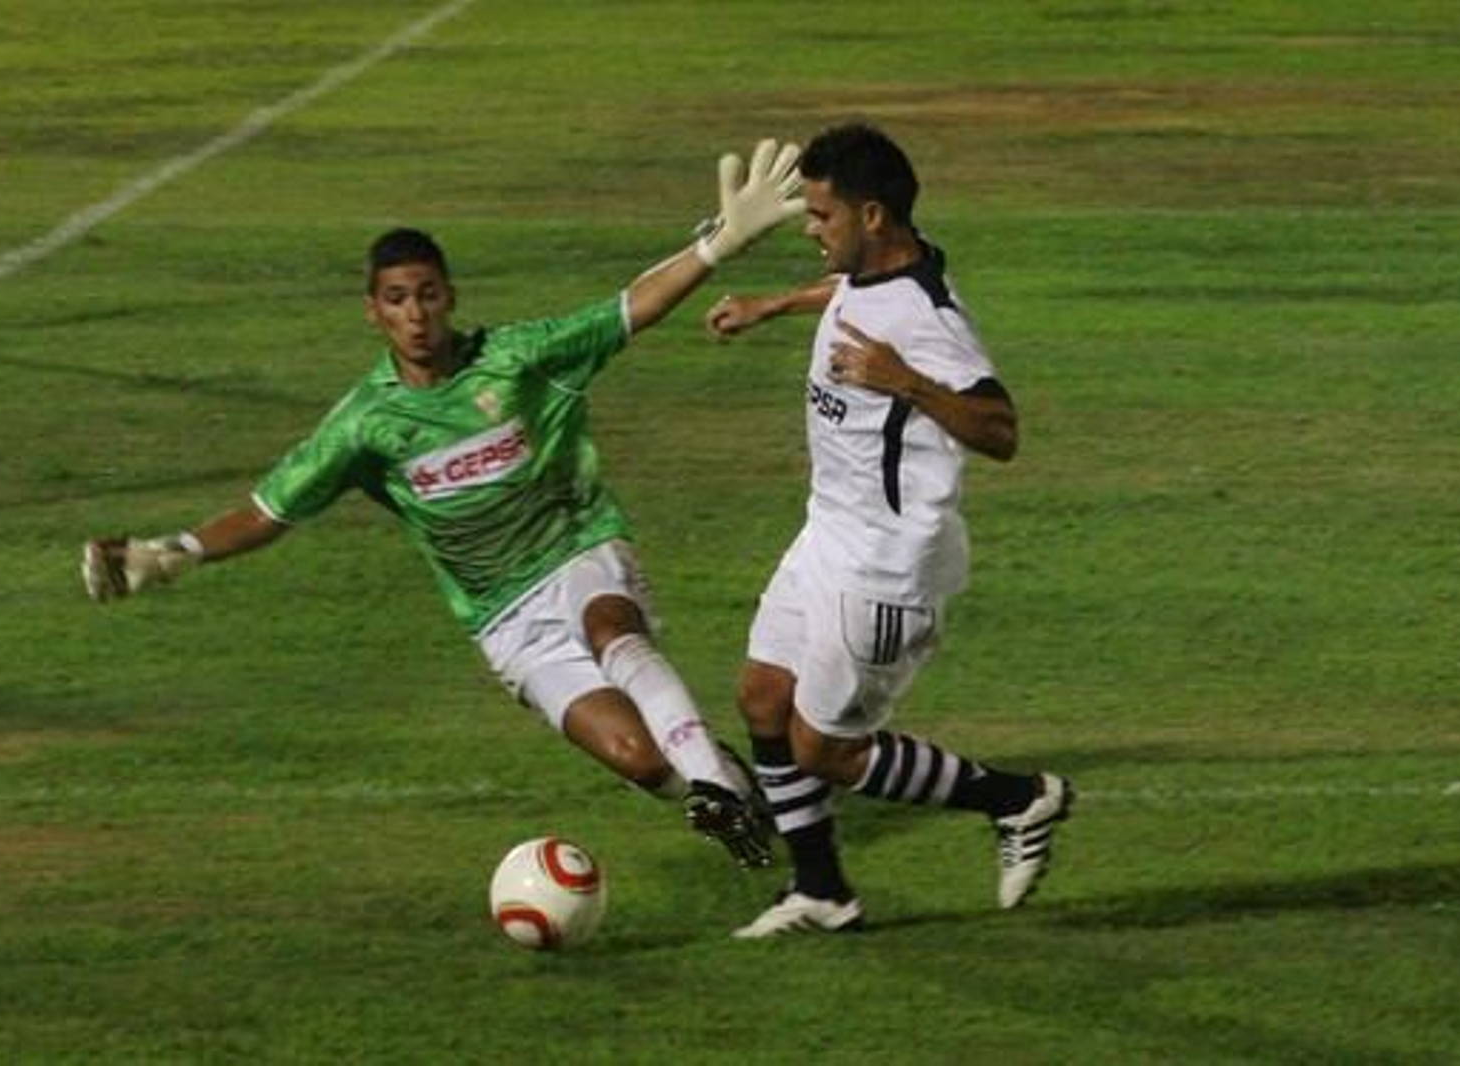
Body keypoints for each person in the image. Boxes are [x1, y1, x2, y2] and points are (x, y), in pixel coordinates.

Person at [81, 139, 809, 871]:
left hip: (581, 549)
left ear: (450, 295)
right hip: (504, 618)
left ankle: (716, 786)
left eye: (428, 294)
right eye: (397, 300)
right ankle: (730, 784)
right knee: (639, 758)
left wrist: (721, 243)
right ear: (374, 312)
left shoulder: (515, 358)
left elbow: (628, 309)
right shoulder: (367, 425)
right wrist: (175, 551)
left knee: (608, 625)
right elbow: (270, 511)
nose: (417, 315)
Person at [704, 123, 1073, 936]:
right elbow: (848, 294)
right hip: (827, 534)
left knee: (824, 752)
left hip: (883, 566)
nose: (810, 227)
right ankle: (822, 891)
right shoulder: (877, 271)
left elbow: (1001, 429)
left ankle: (1019, 800)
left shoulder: (929, 322)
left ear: (872, 215)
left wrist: (904, 382)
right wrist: (774, 306)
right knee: (762, 696)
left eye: (823, 215)